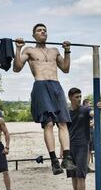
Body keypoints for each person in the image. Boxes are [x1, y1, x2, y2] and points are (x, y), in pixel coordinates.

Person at [13, 23, 76, 175]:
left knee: (63, 123)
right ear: (33, 35)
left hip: (56, 85)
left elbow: (66, 69)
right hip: (40, 84)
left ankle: (67, 157)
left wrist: (67, 51)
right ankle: (54, 161)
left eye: (44, 30)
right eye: (39, 30)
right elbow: (17, 68)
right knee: (48, 123)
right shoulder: (29, 50)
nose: (43, 32)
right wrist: (18, 48)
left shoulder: (54, 51)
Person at [66, 88, 101, 190]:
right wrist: (63, 149)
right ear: (70, 97)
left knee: (81, 175)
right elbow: (64, 131)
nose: (79, 98)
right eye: (76, 97)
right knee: (73, 176)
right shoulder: (66, 112)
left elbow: (93, 113)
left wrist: (99, 108)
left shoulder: (85, 109)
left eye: (80, 96)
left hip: (82, 146)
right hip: (70, 147)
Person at [82, 99, 94, 172]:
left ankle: (86, 166)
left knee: (89, 150)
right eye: (90, 103)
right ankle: (85, 166)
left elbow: (92, 123)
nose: (91, 105)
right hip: (86, 133)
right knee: (86, 150)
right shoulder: (85, 111)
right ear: (86, 104)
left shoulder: (89, 113)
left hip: (90, 132)